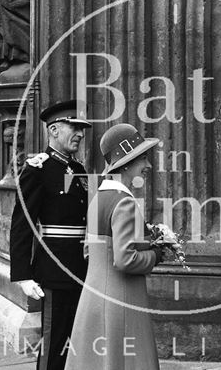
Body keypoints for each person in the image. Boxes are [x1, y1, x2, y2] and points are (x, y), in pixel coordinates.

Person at [65, 123, 162, 370]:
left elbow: (89, 251)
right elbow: (125, 259)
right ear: (126, 164)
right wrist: (157, 254)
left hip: (95, 296)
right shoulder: (124, 202)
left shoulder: (98, 198)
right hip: (121, 299)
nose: (148, 165)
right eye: (143, 158)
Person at [9, 100, 91, 370]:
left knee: (76, 341)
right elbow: (22, 223)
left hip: (82, 267)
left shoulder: (79, 170)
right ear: (54, 130)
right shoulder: (37, 169)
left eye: (82, 128)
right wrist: (22, 275)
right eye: (74, 127)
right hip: (54, 270)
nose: (80, 133)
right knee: (53, 344)